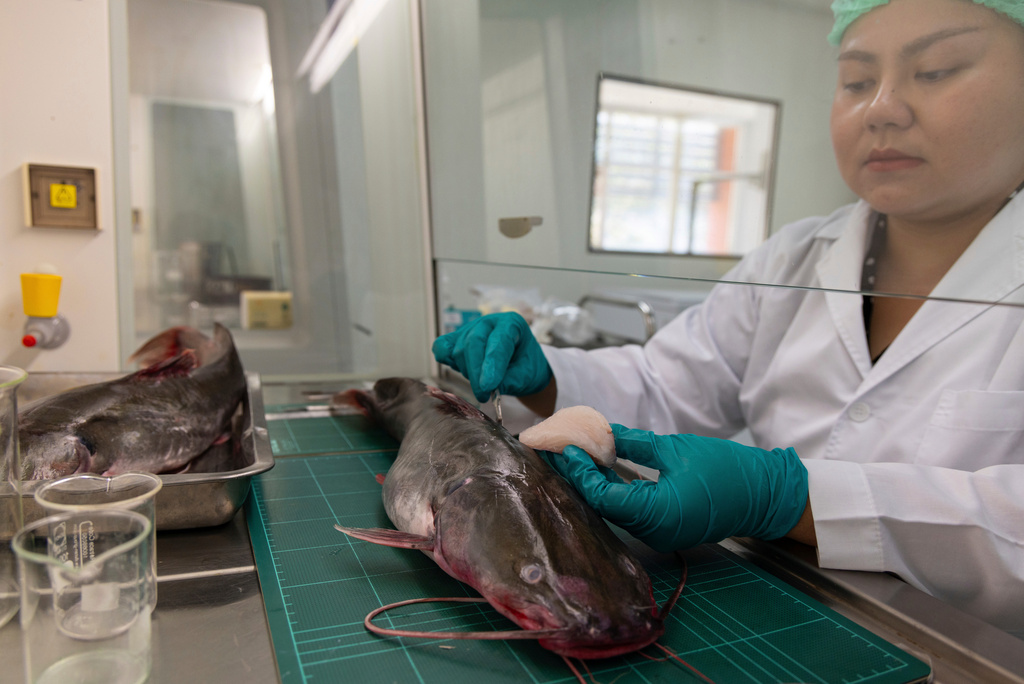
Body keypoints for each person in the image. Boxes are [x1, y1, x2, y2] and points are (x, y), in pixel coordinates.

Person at [432, 0, 1024, 636]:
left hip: (973, 649)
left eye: (934, 71)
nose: (881, 107)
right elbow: (670, 385)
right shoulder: (795, 257)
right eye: (855, 81)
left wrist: (794, 499)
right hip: (775, 597)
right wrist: (545, 380)